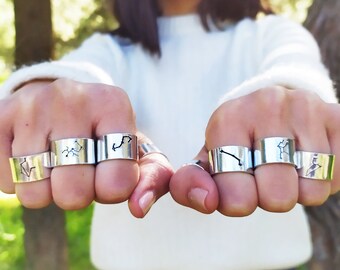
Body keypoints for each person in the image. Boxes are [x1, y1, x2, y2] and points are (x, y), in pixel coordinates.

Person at [1, 0, 339, 269]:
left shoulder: (272, 33)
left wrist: (288, 94)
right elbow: (81, 73)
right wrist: (42, 89)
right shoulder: (110, 48)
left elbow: (296, 66)